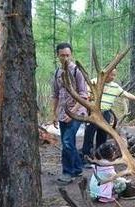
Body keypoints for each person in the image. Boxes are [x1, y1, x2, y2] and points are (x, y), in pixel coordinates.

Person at [81, 68, 135, 167]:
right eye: (111, 74)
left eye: (114, 75)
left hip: (106, 113)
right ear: (105, 73)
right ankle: (86, 159)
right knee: (89, 135)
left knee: (102, 136)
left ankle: (100, 158)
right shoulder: (94, 82)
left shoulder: (115, 87)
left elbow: (126, 94)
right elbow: (85, 94)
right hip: (94, 112)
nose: (112, 77)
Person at [51, 43, 89, 185]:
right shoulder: (57, 73)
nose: (65, 58)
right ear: (58, 55)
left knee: (67, 142)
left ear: (71, 54)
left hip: (77, 112)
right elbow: (54, 94)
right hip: (62, 113)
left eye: (67, 55)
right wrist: (53, 114)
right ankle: (78, 168)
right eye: (62, 55)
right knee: (68, 142)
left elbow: (83, 95)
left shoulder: (76, 71)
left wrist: (72, 113)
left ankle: (67, 172)